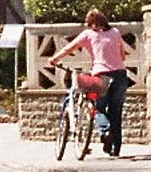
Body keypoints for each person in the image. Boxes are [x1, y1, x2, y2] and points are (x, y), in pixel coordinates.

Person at [49, 9, 130, 156]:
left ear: (91, 23)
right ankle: (115, 148)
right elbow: (123, 56)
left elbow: (69, 48)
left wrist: (54, 59)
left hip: (101, 75)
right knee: (116, 111)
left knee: (98, 107)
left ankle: (105, 132)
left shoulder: (88, 34)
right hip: (120, 75)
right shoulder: (115, 32)